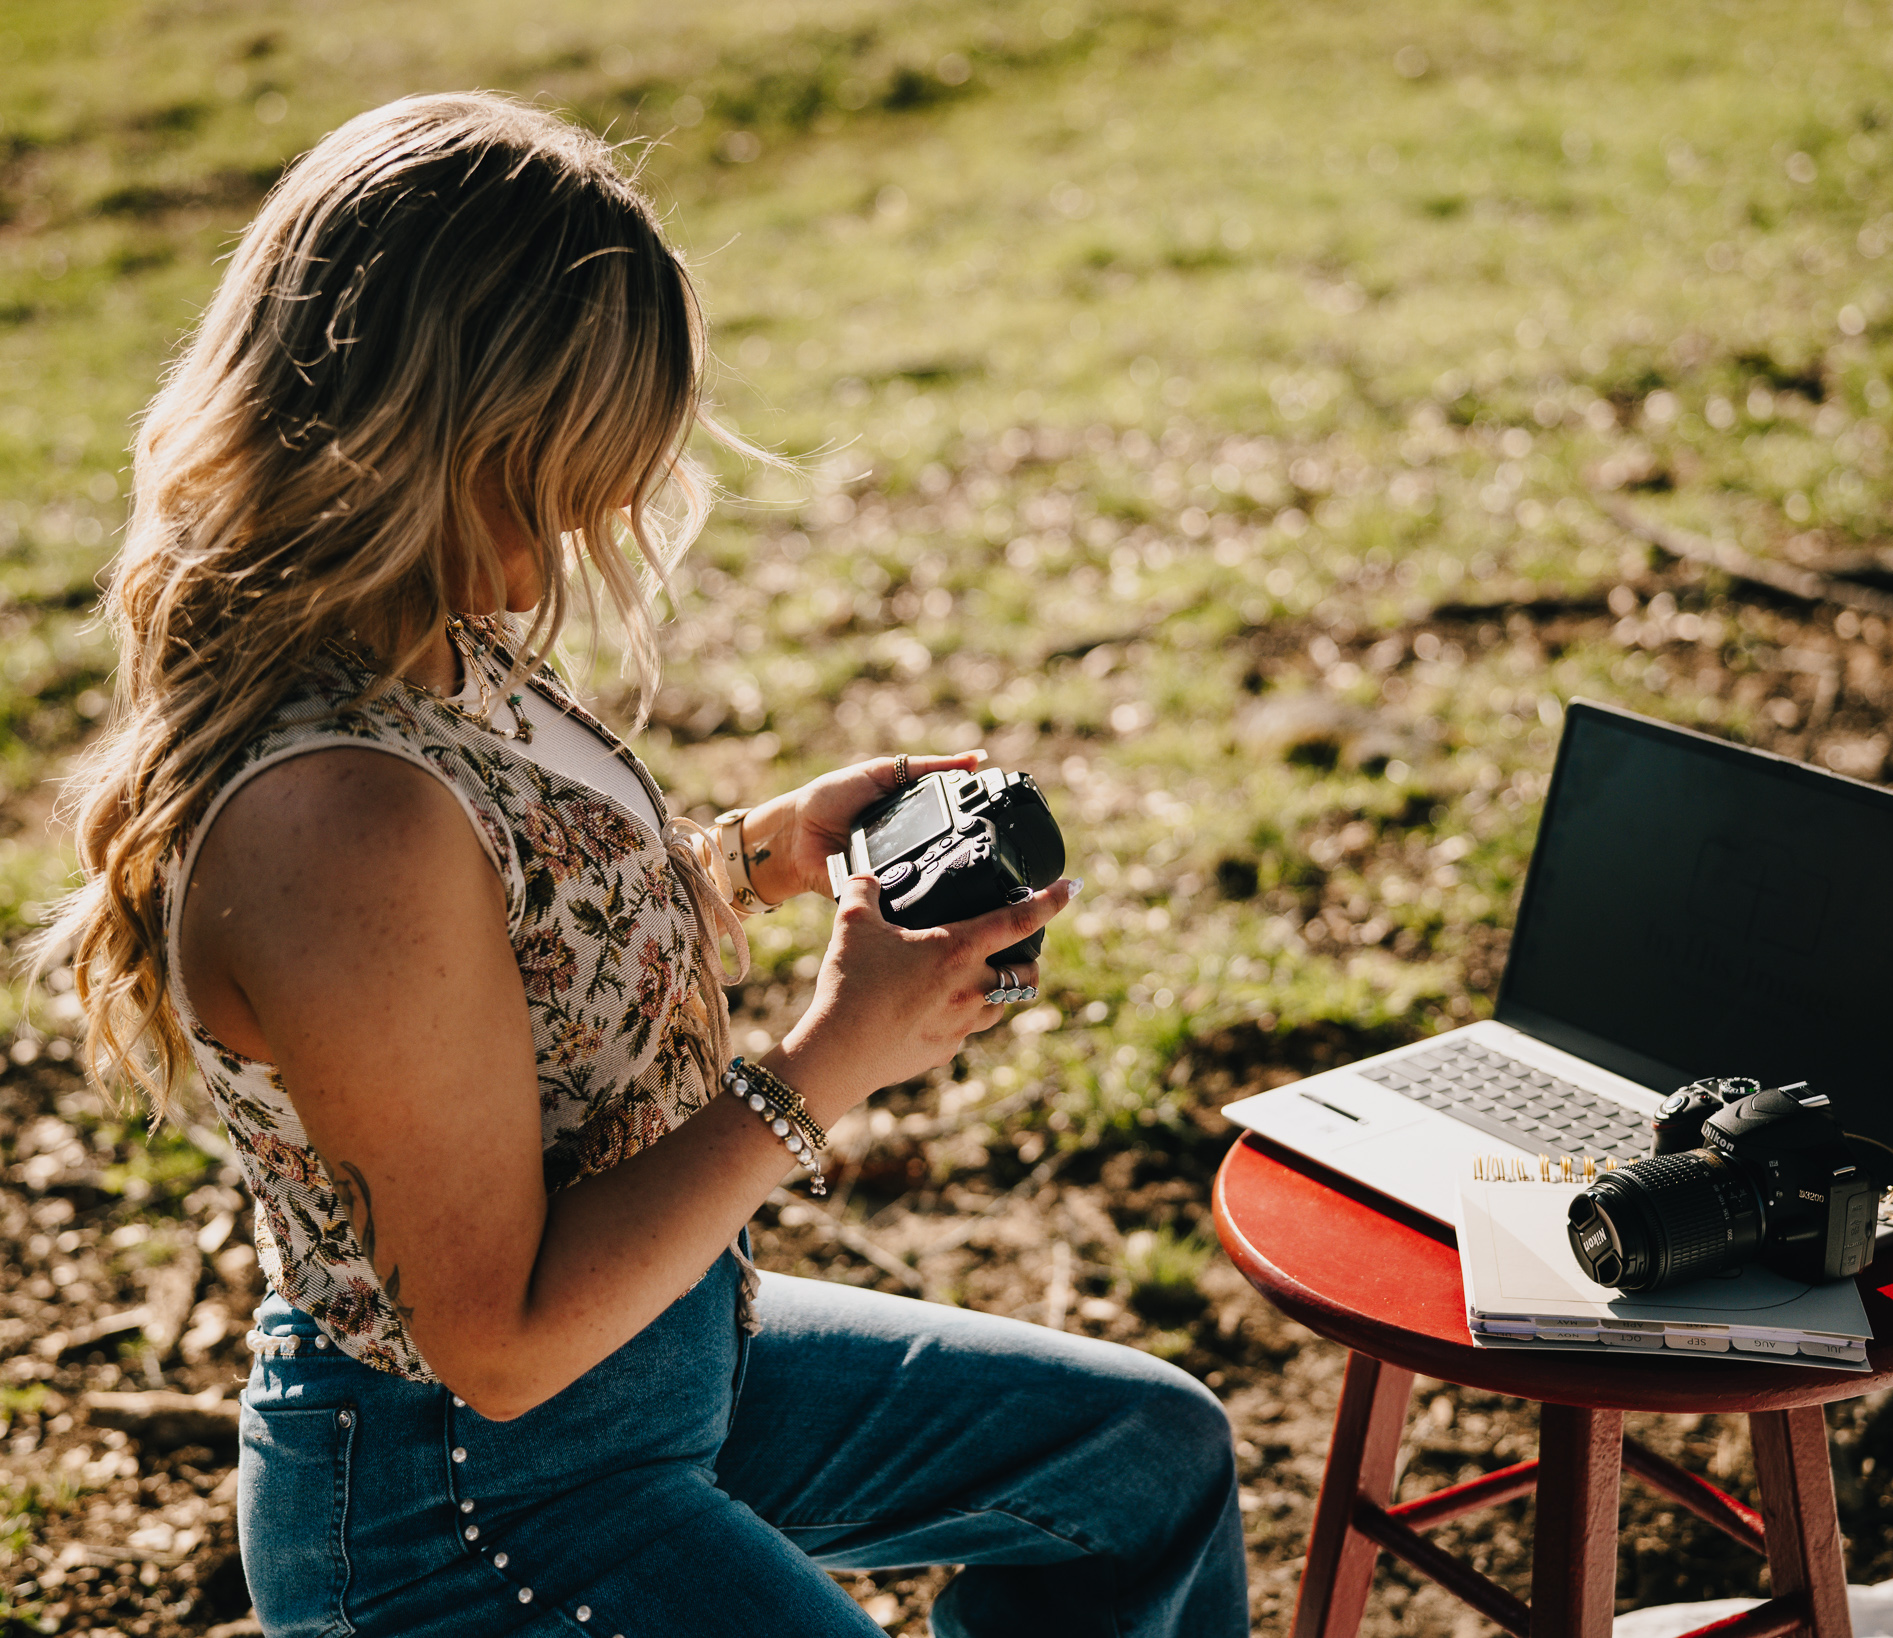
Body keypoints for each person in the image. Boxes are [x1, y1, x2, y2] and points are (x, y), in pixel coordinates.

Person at [38, 91, 1248, 1636]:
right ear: (432, 431)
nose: (572, 539)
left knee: (1142, 1462)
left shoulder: (410, 648)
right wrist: (824, 1067)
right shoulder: (334, 818)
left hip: (663, 1361)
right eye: (555, 480)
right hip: (478, 1498)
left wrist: (751, 859)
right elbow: (502, 1335)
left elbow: (509, 945)